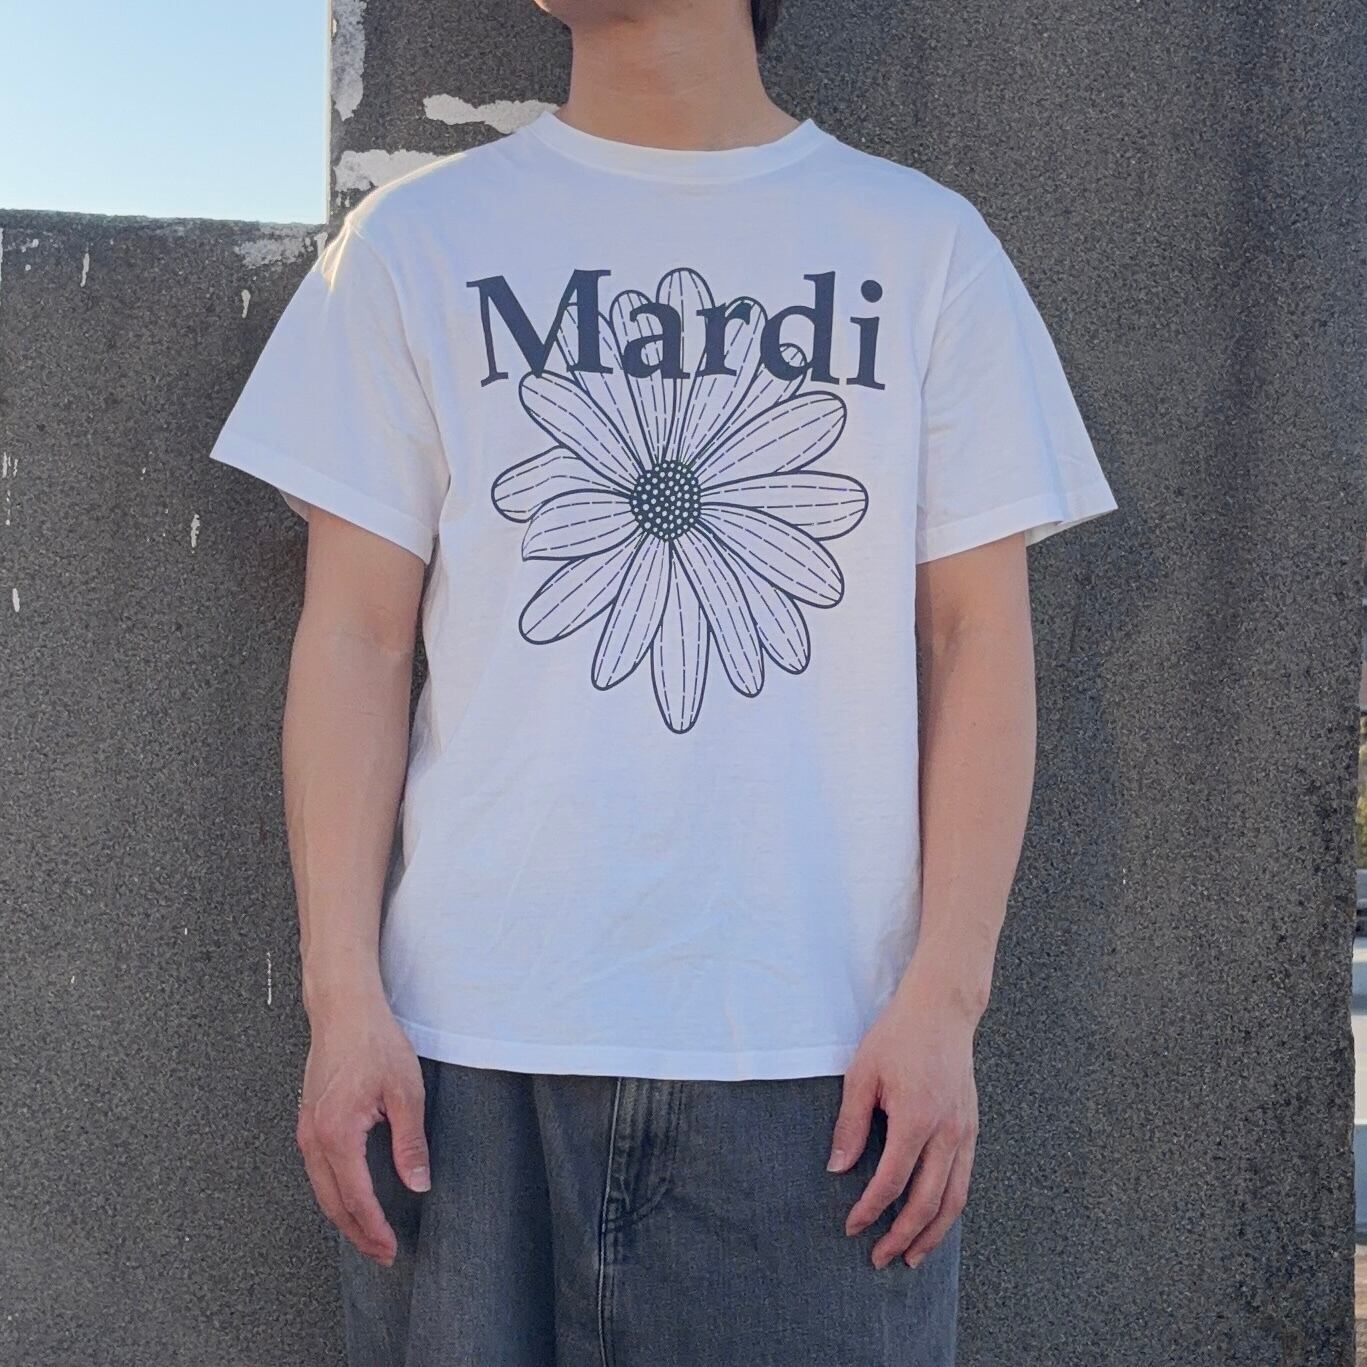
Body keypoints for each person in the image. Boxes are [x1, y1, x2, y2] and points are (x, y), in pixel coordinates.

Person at [208, 0, 1119, 1362]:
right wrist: (342, 1005)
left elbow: (978, 641)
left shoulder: (924, 250)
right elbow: (355, 637)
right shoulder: (411, 246)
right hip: (462, 1068)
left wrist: (946, 1002)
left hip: (827, 1072)